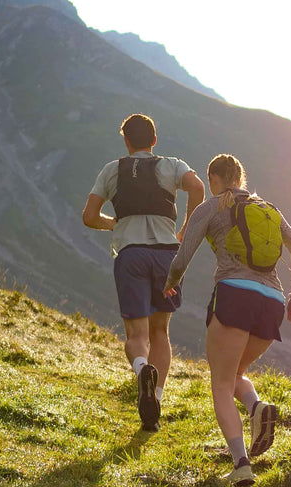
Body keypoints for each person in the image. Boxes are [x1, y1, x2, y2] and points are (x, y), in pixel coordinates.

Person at [164, 154, 291, 486]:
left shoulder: (212, 207)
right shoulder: (268, 209)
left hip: (235, 296)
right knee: (236, 373)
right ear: (240, 179)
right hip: (272, 301)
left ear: (214, 178)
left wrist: (169, 284)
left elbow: (182, 256)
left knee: (221, 382)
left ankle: (241, 464)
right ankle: (256, 407)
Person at [83, 114, 204, 432]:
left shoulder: (112, 170)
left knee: (136, 336)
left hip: (131, 255)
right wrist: (186, 228)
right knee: (160, 332)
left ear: (126, 141)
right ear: (154, 140)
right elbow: (198, 188)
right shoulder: (172, 165)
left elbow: (89, 216)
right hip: (167, 255)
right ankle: (157, 398)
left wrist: (117, 223)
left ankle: (141, 371)